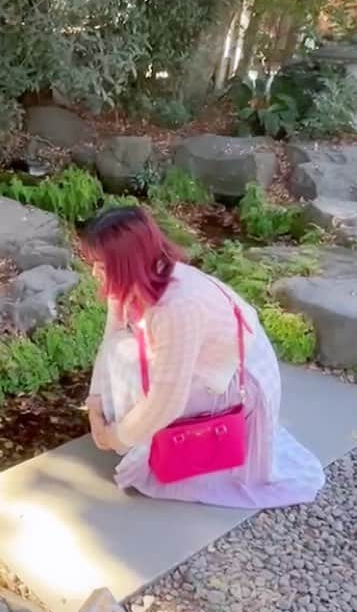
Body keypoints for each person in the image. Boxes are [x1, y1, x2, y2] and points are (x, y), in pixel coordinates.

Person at [81, 206, 324, 509]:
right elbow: (112, 336)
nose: (94, 273)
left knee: (132, 365)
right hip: (209, 364)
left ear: (126, 263)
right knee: (122, 350)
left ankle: (144, 440)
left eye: (100, 266)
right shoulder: (136, 279)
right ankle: (133, 430)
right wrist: (95, 403)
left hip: (236, 380)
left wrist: (115, 437)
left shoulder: (177, 307)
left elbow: (165, 401)